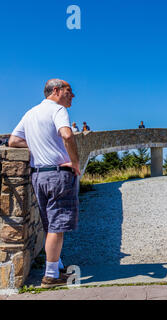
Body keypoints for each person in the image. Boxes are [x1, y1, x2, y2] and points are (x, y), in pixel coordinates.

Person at [8, 79, 80, 289]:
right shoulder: (57, 110)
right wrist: (75, 162)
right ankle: (50, 276)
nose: (72, 96)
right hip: (58, 174)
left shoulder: (30, 113)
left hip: (38, 175)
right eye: (69, 91)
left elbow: (13, 141)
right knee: (57, 226)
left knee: (50, 225)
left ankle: (56, 267)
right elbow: (67, 134)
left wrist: (38, 143)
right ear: (56, 91)